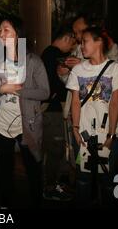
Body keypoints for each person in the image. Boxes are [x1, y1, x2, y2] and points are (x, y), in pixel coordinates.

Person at [0, 16, 50, 208]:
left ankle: (36, 201)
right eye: (0, 31)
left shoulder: (33, 61)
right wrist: (1, 90)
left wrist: (17, 89)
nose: (1, 34)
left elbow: (45, 92)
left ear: (17, 35)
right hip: (1, 124)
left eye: (6, 30)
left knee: (32, 168)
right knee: (5, 169)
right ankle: (5, 204)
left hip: (26, 124)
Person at [66, 27, 118, 207]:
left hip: (109, 135)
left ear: (98, 42)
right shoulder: (78, 70)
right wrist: (75, 129)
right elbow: (75, 103)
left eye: (85, 41)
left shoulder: (116, 69)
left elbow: (115, 103)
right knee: (83, 179)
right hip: (83, 135)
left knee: (107, 180)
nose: (81, 45)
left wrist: (111, 135)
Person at [41, 26, 76, 201]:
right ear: (66, 38)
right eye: (73, 41)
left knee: (55, 150)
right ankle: (50, 187)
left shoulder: (47, 53)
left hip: (51, 110)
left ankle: (53, 185)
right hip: (53, 110)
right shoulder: (53, 55)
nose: (73, 46)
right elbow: (53, 83)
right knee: (55, 150)